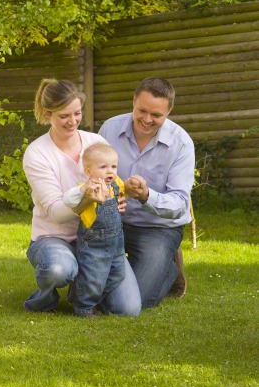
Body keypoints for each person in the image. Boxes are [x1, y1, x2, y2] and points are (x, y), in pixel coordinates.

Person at [22, 78, 141, 315]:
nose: (73, 121)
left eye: (77, 113)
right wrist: (87, 199)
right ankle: (44, 300)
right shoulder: (38, 153)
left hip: (98, 239)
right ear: (48, 113)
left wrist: (118, 197)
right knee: (58, 268)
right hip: (55, 237)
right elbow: (56, 213)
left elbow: (112, 181)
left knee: (128, 309)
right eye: (64, 115)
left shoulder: (95, 142)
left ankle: (84, 285)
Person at [99, 77, 195, 308]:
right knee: (85, 287)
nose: (147, 119)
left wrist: (145, 195)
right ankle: (136, 269)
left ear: (169, 111)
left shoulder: (181, 143)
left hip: (158, 228)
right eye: (142, 110)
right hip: (114, 220)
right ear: (133, 101)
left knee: (135, 300)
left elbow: (181, 204)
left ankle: (169, 268)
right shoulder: (109, 129)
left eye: (157, 115)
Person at [63, 143, 126, 318]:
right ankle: (83, 307)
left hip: (116, 242)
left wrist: (131, 189)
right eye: (103, 167)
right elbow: (68, 199)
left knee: (117, 274)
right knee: (93, 278)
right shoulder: (88, 187)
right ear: (89, 172)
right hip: (94, 242)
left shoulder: (116, 184)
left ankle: (79, 294)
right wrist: (83, 190)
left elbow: (123, 192)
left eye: (113, 166)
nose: (110, 171)